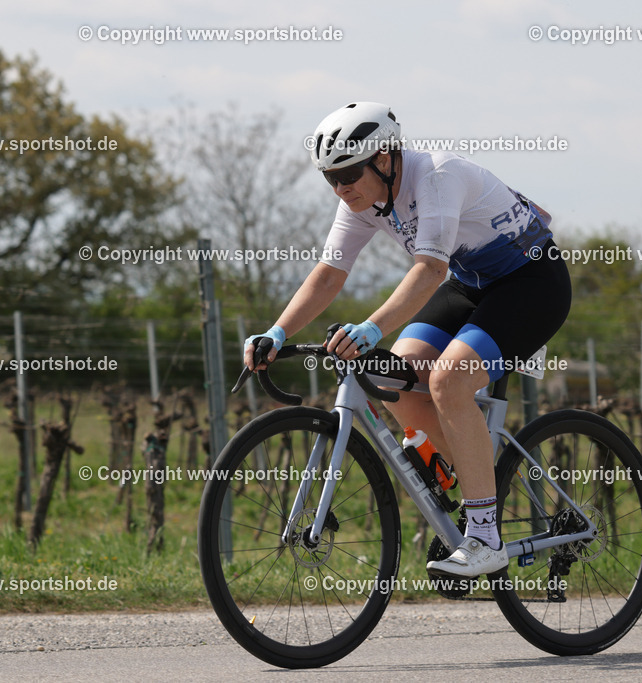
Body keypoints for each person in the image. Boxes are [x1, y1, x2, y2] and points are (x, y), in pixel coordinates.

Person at [243, 102, 571, 577]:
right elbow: (329, 275)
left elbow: (430, 269)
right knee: (388, 372)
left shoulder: (436, 177)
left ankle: (484, 537)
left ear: (385, 158)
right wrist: (277, 331)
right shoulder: (362, 200)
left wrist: (372, 327)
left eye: (349, 172)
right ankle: (477, 484)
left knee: (448, 383)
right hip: (472, 282)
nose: (341, 187)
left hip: (531, 282)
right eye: (330, 178)